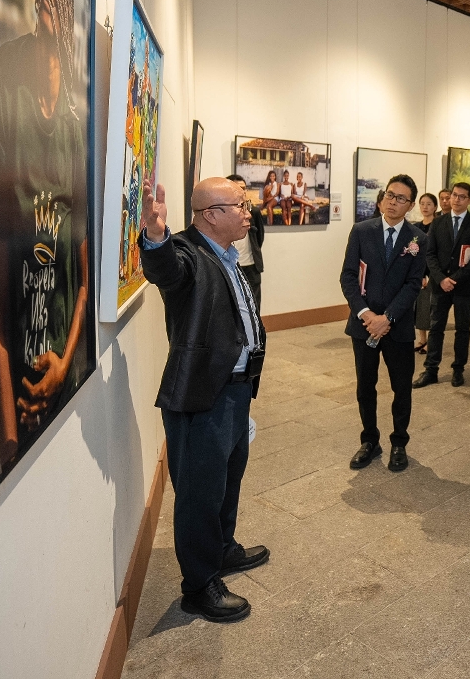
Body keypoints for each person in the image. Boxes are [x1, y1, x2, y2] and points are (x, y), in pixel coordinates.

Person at [0, 0, 93, 464]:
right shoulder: (10, 82)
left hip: (66, 378)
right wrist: (6, 442)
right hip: (19, 387)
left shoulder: (75, 124)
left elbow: (85, 282)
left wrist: (66, 363)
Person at [139, 177, 270, 623]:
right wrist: (155, 236)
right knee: (199, 493)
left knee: (228, 478)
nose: (248, 212)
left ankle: (222, 549)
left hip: (235, 389)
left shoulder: (229, 255)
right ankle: (199, 585)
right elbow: (165, 271)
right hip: (203, 394)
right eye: (240, 205)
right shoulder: (186, 252)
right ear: (211, 215)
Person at [339, 175, 426, 473]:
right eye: (390, 195)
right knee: (366, 386)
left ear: (410, 205)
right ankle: (369, 440)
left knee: (402, 387)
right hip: (363, 325)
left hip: (397, 327)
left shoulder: (417, 239)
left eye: (401, 198)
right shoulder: (362, 231)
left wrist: (387, 318)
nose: (393, 202)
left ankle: (399, 442)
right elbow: (348, 276)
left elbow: (413, 284)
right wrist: (366, 315)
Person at [415, 182, 470, 388]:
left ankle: (458, 369)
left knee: (462, 329)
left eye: (462, 196)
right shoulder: (438, 223)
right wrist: (441, 279)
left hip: (463, 285)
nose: (456, 199)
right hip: (440, 285)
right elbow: (430, 254)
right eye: (454, 195)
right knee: (436, 328)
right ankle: (431, 370)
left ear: (469, 200)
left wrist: (454, 279)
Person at [226, 174, 265, 312]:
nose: (242, 192)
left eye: (244, 188)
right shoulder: (222, 214)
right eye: (237, 188)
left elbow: (259, 237)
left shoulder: (254, 212)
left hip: (251, 267)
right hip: (231, 267)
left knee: (254, 307)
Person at [413, 193, 439, 352]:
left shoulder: (439, 225)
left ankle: (431, 340)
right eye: (422, 203)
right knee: (420, 307)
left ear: (435, 207)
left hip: (434, 272)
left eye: (429, 204)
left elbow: (438, 252)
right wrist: (421, 274)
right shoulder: (416, 227)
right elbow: (414, 252)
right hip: (419, 272)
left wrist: (430, 274)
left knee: (432, 307)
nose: (425, 207)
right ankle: (422, 338)